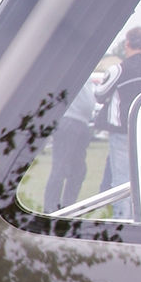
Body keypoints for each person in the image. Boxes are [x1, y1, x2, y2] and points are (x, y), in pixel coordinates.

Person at [94, 26, 141, 218]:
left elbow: (100, 94)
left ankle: (123, 224)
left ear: (127, 44)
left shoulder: (118, 69)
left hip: (122, 132)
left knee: (122, 182)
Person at [44, 77, 96, 213]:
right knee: (61, 167)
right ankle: (51, 209)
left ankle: (68, 207)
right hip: (69, 119)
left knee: (78, 171)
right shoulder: (73, 64)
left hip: (81, 122)